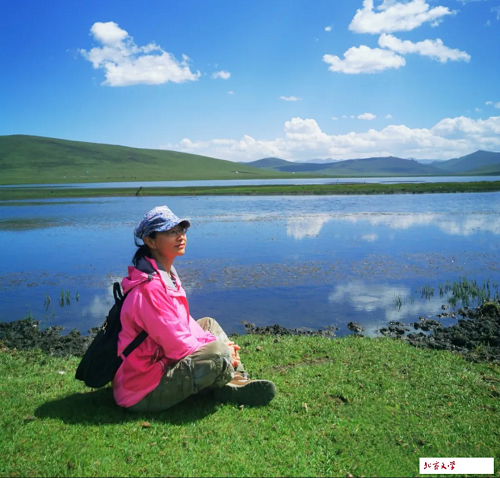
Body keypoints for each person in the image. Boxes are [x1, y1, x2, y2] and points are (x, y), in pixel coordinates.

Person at [112, 205, 276, 412]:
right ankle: (230, 377)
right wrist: (222, 349)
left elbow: (184, 324)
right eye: (171, 232)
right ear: (150, 241)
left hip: (159, 363)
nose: (180, 236)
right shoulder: (149, 289)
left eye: (181, 230)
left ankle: (234, 379)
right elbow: (178, 346)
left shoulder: (165, 275)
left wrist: (215, 343)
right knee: (217, 352)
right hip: (142, 389)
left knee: (208, 324)